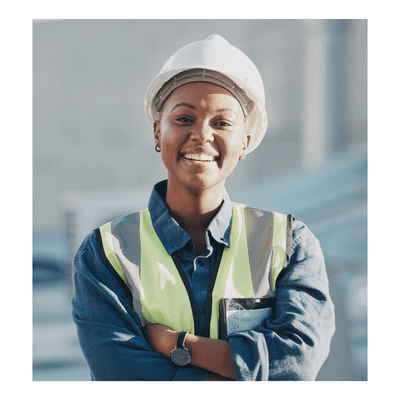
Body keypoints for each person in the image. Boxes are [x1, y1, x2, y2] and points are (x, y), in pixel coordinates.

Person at [71, 34, 335, 381]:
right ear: (156, 132)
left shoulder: (289, 245)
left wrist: (179, 344)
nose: (201, 135)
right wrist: (241, 374)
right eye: (183, 119)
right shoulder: (105, 252)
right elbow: (120, 376)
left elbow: (296, 364)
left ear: (246, 141)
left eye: (222, 123)